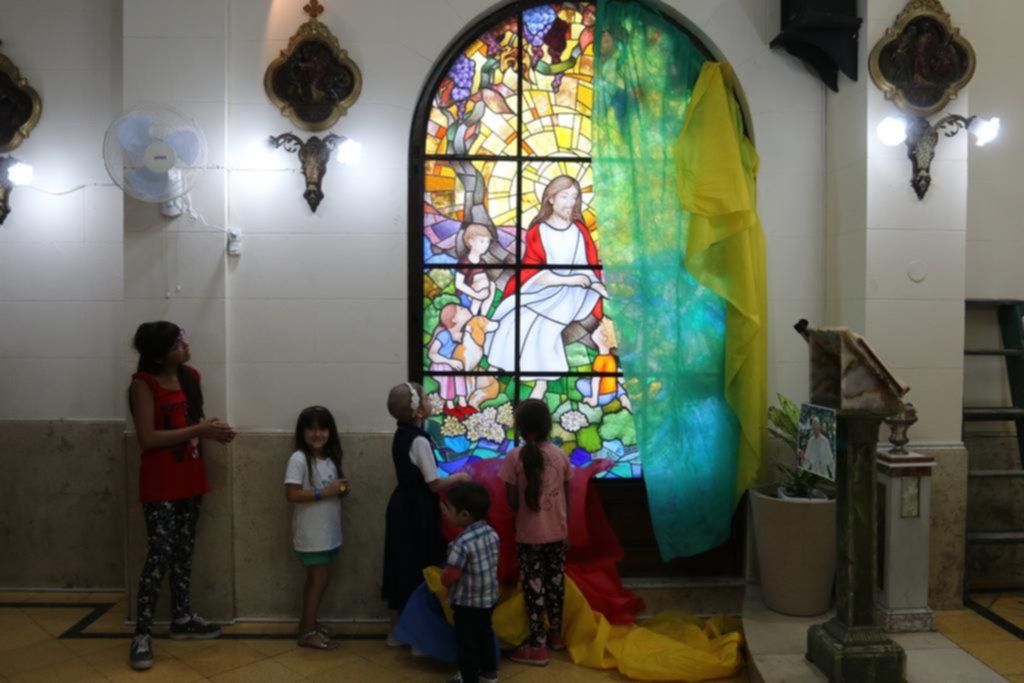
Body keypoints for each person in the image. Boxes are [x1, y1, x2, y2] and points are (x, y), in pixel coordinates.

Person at [127, 322, 236, 671]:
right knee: (159, 554)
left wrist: (213, 430)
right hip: (160, 480)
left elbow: (193, 424)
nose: (186, 345)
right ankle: (142, 633)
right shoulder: (143, 385)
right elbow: (148, 438)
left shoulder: (191, 377)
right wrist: (199, 429)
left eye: (183, 338)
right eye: (177, 342)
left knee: (184, 549)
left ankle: (181, 617)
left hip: (190, 474)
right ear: (159, 354)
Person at [485, 175, 608, 399]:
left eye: (574, 197)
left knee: (545, 326)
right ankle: (494, 373)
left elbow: (587, 269)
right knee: (514, 316)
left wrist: (598, 286)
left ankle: (541, 384)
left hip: (574, 294)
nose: (570, 202)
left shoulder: (579, 231)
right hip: (543, 288)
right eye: (564, 196)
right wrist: (567, 280)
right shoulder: (538, 231)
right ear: (550, 199)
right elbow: (534, 274)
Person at [382, 382, 471, 646]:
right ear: (418, 412)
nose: (432, 401)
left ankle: (396, 629)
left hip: (402, 504)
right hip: (417, 509)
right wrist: (459, 477)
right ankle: (418, 633)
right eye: (427, 399)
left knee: (400, 563)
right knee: (419, 564)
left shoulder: (402, 434)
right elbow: (433, 484)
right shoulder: (418, 440)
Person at [498, 399, 573, 666]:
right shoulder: (559, 455)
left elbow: (511, 501)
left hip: (529, 535)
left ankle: (537, 646)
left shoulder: (513, 457)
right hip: (558, 534)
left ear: (519, 428)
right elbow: (567, 495)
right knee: (555, 583)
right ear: (548, 426)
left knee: (534, 586)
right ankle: (556, 636)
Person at [284, 406, 350, 649]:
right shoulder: (299, 459)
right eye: (311, 428)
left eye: (322, 428)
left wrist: (340, 491)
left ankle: (310, 622)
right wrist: (326, 492)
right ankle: (306, 631)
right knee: (317, 580)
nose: (317, 434)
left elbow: (328, 489)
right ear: (302, 432)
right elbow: (291, 494)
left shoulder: (330, 458)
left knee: (322, 579)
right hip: (312, 534)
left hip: (329, 532)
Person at [440, 482, 501, 683]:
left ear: (464, 515)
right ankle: (490, 672)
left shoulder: (460, 543)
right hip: (488, 600)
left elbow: (451, 576)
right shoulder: (492, 533)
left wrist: (443, 579)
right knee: (485, 635)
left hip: (466, 604)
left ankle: (469, 677)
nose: (444, 512)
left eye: (447, 509)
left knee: (467, 643)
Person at [576, 317, 632, 411]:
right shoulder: (611, 359)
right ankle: (623, 397)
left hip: (602, 397)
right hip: (613, 392)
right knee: (614, 381)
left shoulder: (600, 359)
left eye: (599, 329)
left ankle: (597, 398)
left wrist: (594, 400)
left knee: (580, 383)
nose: (595, 330)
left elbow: (596, 380)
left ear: (604, 337)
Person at [428, 304, 472, 414]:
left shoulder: (462, 333)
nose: (465, 308)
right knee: (448, 370)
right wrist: (450, 361)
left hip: (452, 364)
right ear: (454, 319)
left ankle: (462, 403)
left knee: (459, 371)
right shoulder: (444, 335)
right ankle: (450, 405)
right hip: (439, 366)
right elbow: (432, 354)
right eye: (461, 309)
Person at [455, 224, 497, 316]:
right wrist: (476, 294)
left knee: (492, 285)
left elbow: (485, 281)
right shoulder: (465, 263)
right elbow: (458, 284)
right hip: (465, 294)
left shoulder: (482, 262)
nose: (485, 245)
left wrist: (481, 292)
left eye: (487, 242)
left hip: (480, 292)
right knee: (482, 284)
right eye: (482, 241)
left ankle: (483, 316)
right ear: (471, 242)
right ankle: (472, 317)